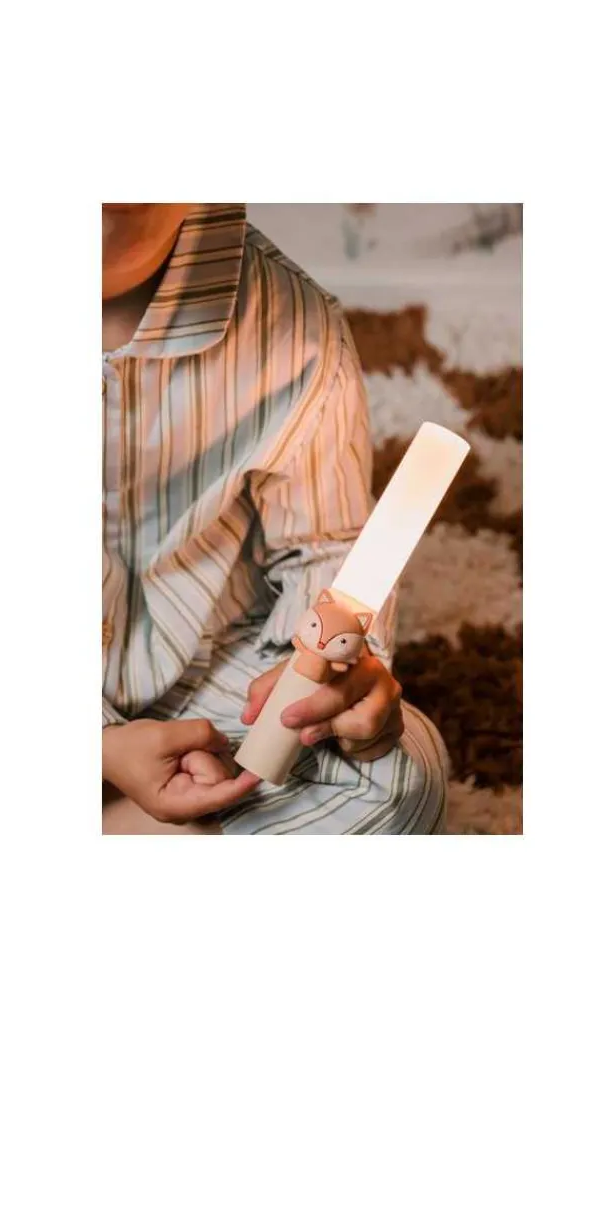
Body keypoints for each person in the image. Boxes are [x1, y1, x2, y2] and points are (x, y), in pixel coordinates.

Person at [101, 204, 447, 834]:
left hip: (208, 668)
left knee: (396, 776)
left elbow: (324, 546)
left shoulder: (296, 329)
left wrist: (326, 682)